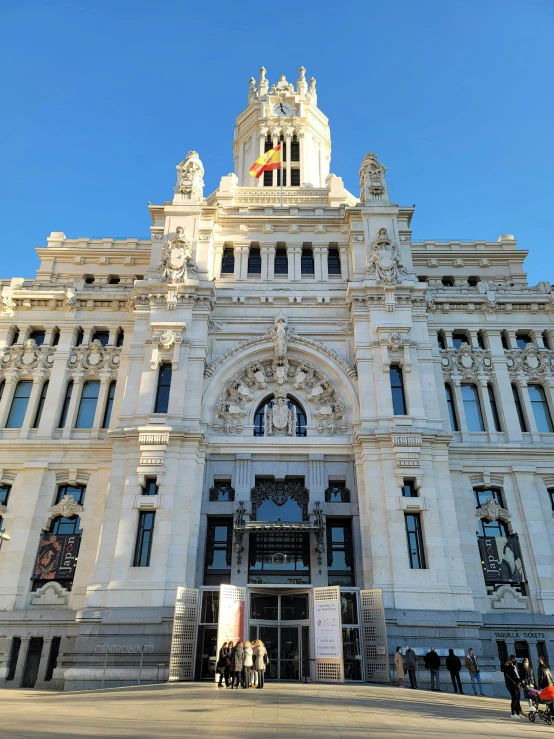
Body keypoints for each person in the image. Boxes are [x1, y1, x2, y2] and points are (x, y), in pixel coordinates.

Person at [503, 655, 522, 719]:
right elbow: (513, 677)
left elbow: (517, 675)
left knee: (517, 698)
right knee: (514, 698)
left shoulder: (514, 666)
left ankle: (517, 713)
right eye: (513, 659)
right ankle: (513, 713)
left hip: (516, 684)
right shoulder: (508, 667)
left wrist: (519, 682)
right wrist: (520, 680)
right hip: (511, 684)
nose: (515, 660)